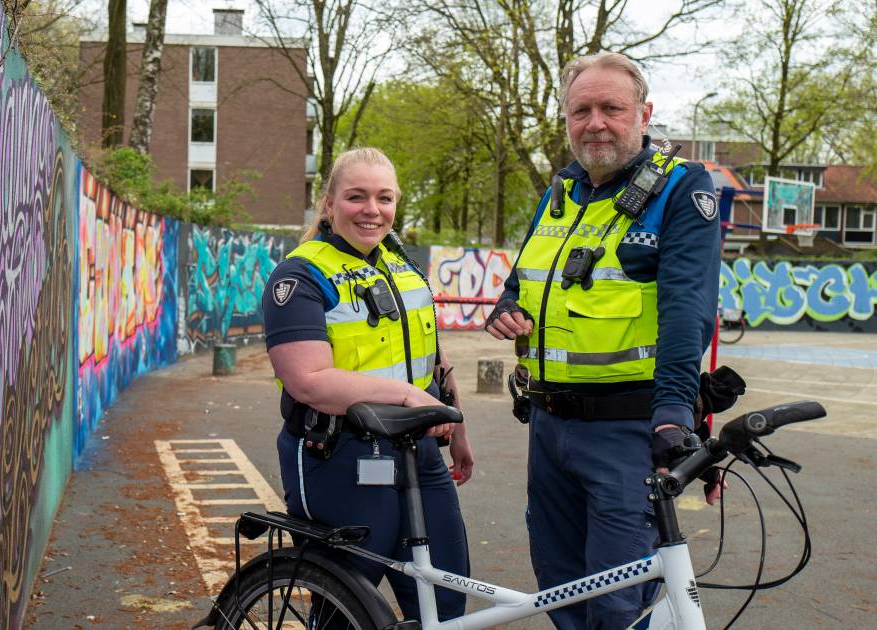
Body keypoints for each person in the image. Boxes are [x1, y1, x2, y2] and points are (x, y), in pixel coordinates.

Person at [485, 52, 721, 629]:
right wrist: (507, 309)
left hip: (628, 432)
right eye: (580, 110)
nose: (595, 123)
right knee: (561, 593)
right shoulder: (561, 191)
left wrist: (672, 416)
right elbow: (522, 283)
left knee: (618, 603)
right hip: (549, 427)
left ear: (644, 112)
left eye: (611, 108)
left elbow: (686, 312)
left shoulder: (682, 190)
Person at [262, 147, 473, 622]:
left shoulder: (399, 265)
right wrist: (407, 397)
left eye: (385, 198)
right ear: (330, 202)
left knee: (444, 601)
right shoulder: (301, 274)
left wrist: (456, 422)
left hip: (418, 454)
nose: (372, 210)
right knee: (347, 608)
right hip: (339, 455)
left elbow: (430, 354)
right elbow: (308, 381)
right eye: (357, 197)